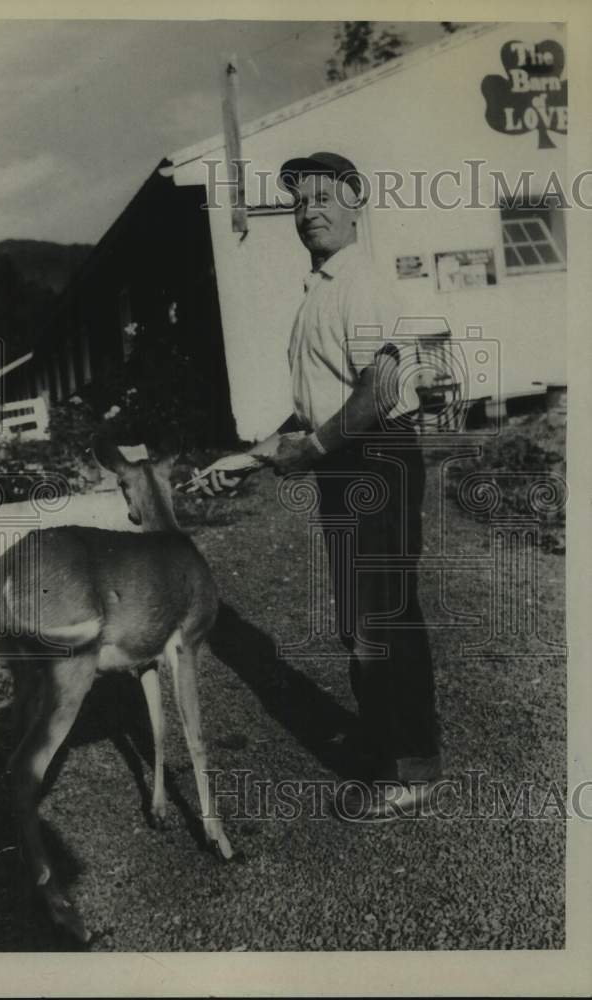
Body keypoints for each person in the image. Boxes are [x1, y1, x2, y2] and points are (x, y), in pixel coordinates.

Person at [197, 152, 442, 819]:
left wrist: (311, 451)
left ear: (356, 204)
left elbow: (379, 389)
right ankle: (391, 745)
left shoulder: (361, 281)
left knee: (381, 615)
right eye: (300, 202)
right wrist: (250, 458)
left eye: (324, 197)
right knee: (362, 616)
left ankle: (411, 766)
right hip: (348, 459)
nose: (310, 211)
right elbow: (316, 403)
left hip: (375, 459)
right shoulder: (321, 290)